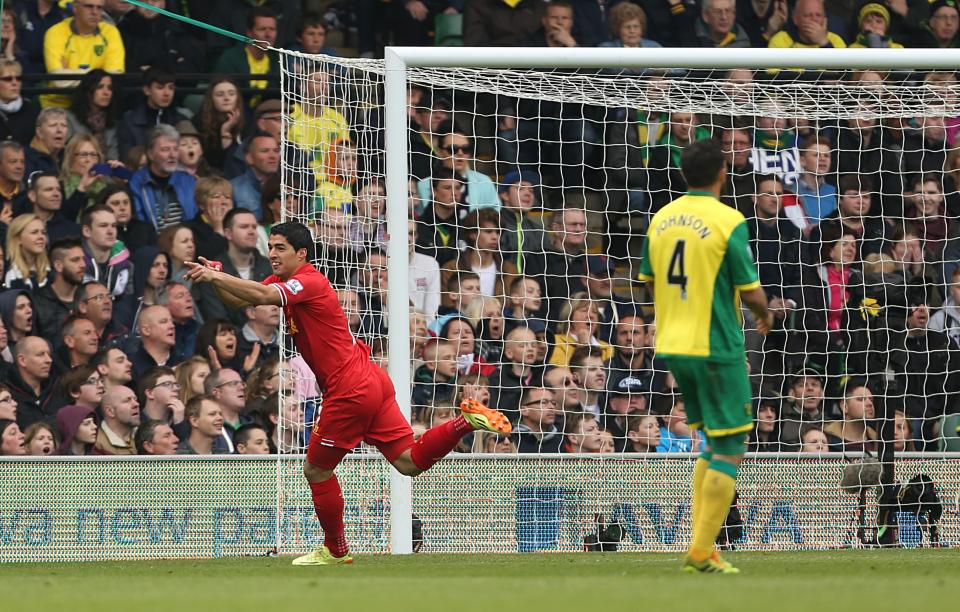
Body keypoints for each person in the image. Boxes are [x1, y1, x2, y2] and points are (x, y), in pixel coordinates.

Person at [185, 221, 512, 565]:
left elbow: (264, 297)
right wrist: (217, 275)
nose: (272, 253)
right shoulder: (284, 281)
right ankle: (466, 422)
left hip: (349, 388)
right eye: (272, 247)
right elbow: (241, 299)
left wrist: (217, 278)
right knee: (409, 462)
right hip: (370, 379)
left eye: (280, 248)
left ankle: (336, 550)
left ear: (302, 254)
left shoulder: (309, 280)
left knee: (316, 471)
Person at [638, 138, 772, 574]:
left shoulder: (660, 219)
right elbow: (749, 288)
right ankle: (699, 549)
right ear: (722, 173)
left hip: (673, 345)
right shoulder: (727, 220)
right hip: (715, 345)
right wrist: (764, 313)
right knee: (732, 444)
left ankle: (704, 546)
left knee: (712, 443)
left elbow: (647, 282)